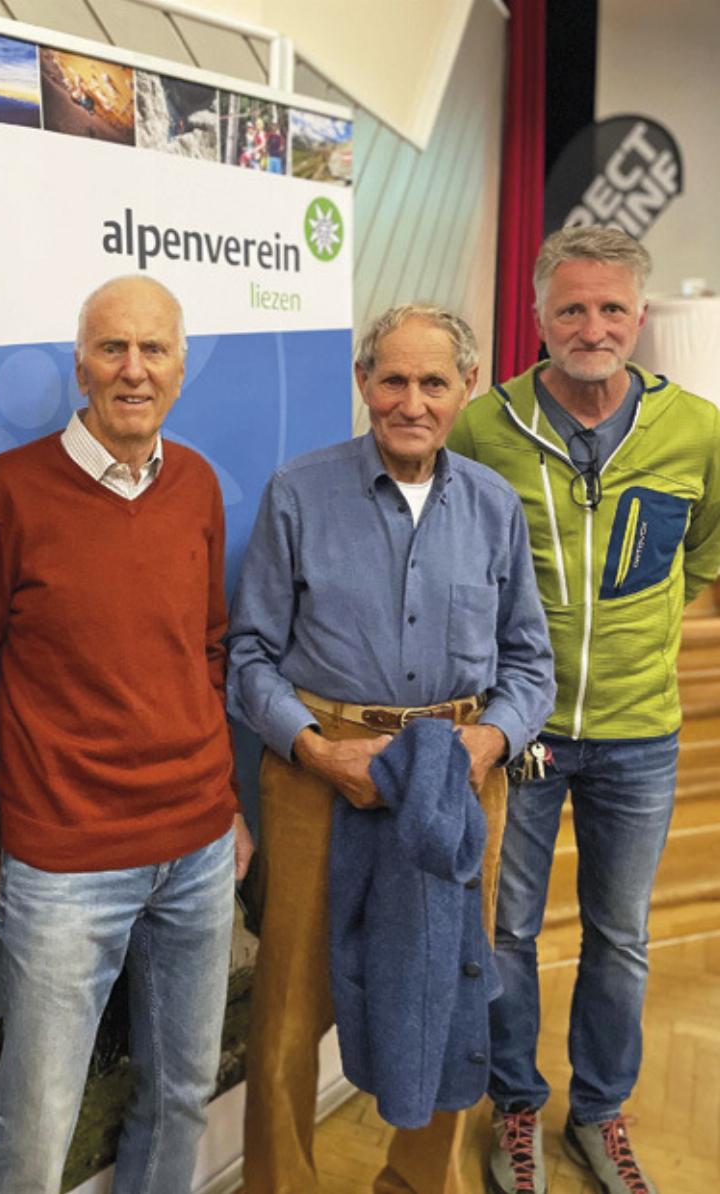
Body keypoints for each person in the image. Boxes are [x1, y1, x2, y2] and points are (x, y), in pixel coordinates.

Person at [228, 303, 554, 1194]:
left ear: (466, 388)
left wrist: (490, 740)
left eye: (434, 382)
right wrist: (312, 749)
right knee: (290, 1003)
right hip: (317, 774)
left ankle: (418, 1180)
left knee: (451, 990)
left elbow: (530, 663)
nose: (413, 402)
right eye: (394, 380)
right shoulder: (298, 493)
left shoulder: (494, 506)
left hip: (457, 775)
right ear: (363, 382)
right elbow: (249, 655)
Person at [0, 274, 254, 1194]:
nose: (133, 369)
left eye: (154, 349)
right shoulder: (10, 494)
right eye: (113, 348)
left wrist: (227, 803)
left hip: (197, 850)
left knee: (182, 1093)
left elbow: (204, 652)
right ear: (81, 366)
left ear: (181, 370)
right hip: (64, 865)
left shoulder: (196, 485)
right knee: (37, 1122)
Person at [449, 226, 720, 1194]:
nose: (591, 327)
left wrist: (647, 633)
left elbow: (705, 550)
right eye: (571, 308)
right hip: (519, 731)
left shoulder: (698, 430)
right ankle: (516, 1107)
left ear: (638, 317)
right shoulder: (484, 427)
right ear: (538, 317)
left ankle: (600, 1112)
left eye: (610, 309)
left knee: (621, 935)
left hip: (640, 734)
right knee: (506, 932)